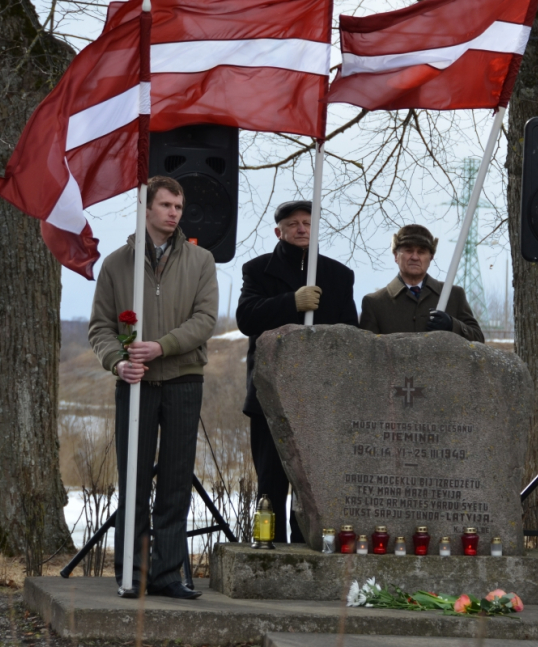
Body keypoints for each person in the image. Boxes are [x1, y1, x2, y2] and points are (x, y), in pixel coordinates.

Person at [88, 176, 218, 600]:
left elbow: (204, 321)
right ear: (145, 209)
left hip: (183, 381)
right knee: (135, 481)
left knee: (176, 482)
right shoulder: (116, 264)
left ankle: (166, 575)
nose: (174, 213)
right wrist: (118, 362)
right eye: (165, 205)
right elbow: (101, 328)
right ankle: (132, 574)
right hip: (136, 386)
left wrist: (162, 346)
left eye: (178, 206)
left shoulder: (201, 261)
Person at [236, 200, 358, 542]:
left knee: (313, 483)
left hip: (320, 399)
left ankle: (306, 547)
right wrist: (292, 302)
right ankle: (269, 547)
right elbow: (247, 318)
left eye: (307, 222)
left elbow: (351, 333)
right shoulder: (258, 270)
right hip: (270, 397)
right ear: (279, 231)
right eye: (293, 224)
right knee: (271, 481)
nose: (302, 229)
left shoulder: (338, 275)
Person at [359, 224, 484, 343]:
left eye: (421, 252)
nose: (414, 257)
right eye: (408, 250)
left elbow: (478, 339)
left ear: (431, 257)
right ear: (396, 256)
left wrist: (452, 325)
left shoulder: (454, 296)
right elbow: (367, 353)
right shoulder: (374, 304)